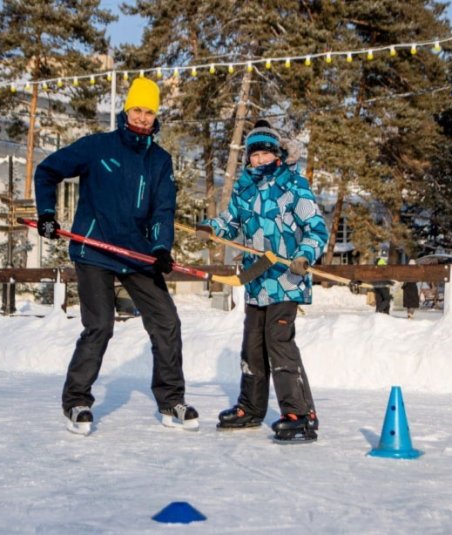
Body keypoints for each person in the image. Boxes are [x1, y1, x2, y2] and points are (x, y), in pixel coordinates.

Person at [33, 77, 198, 435]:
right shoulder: (98, 147)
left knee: (166, 321)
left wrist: (160, 248)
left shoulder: (160, 161)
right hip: (94, 249)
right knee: (100, 326)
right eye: (137, 109)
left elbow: (163, 210)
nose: (142, 117)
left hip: (136, 253)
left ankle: (172, 400)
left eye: (149, 111)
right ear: (126, 110)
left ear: (156, 116)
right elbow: (46, 172)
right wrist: (47, 214)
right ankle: (76, 400)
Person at [196, 120, 329, 442]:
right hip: (257, 283)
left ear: (278, 155)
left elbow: (317, 228)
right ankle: (250, 408)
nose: (260, 160)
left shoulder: (293, 186)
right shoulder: (245, 189)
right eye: (254, 154)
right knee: (252, 348)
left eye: (266, 153)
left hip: (286, 279)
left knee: (278, 343)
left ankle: (299, 413)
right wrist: (211, 228)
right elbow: (231, 223)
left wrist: (304, 256)